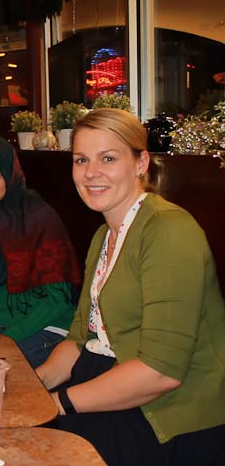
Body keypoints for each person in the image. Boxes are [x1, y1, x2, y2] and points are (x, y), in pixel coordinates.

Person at [36, 109, 225, 466]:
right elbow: (79, 338)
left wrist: (58, 403)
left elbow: (161, 372)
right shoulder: (103, 236)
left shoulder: (169, 230)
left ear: (141, 163)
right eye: (81, 160)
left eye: (108, 158)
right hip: (112, 385)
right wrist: (32, 387)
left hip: (170, 414)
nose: (91, 172)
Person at [0, 135, 81, 367]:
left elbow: (58, 299)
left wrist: (6, 340)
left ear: (10, 176)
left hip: (49, 327)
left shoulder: (38, 218)